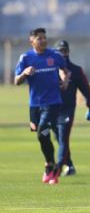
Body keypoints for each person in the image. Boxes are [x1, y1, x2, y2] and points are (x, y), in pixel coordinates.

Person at [14, 28, 69, 184]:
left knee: (42, 131)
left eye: (44, 37)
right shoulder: (26, 57)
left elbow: (64, 70)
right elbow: (16, 81)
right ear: (32, 41)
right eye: (39, 38)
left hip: (52, 103)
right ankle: (50, 164)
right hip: (35, 106)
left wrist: (64, 80)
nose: (43, 40)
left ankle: (50, 167)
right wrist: (25, 73)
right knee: (42, 136)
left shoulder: (55, 55)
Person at [53, 40, 90, 176]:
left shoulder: (76, 70)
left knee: (63, 138)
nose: (63, 54)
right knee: (59, 139)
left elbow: (85, 89)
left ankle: (58, 168)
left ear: (68, 52)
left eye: (65, 51)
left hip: (68, 109)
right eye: (60, 51)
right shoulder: (51, 70)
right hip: (52, 109)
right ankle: (70, 165)